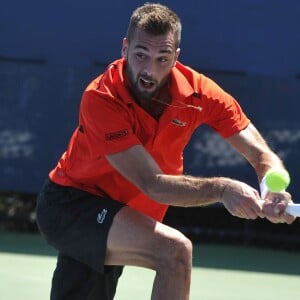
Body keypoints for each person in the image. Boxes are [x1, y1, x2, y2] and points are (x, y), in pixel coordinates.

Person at [36, 3, 295, 300]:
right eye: (141, 55)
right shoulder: (101, 98)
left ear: (176, 57)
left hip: (123, 214)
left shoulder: (200, 93)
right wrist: (223, 189)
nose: (149, 69)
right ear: (124, 48)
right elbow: (152, 183)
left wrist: (271, 186)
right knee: (174, 252)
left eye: (162, 58)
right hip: (71, 206)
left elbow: (262, 155)